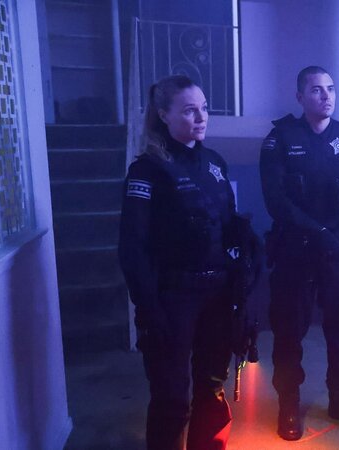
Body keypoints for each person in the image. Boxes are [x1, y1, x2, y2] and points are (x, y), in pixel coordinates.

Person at [119, 75, 237, 449]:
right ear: (163, 115)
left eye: (204, 108)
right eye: (189, 111)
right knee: (171, 396)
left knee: (212, 387)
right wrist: (148, 308)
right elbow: (132, 248)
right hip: (173, 298)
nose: (201, 118)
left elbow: (229, 228)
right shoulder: (148, 170)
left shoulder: (215, 163)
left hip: (217, 295)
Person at [259, 66, 339, 441]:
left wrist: (337, 237)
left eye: (330, 89)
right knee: (288, 330)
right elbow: (277, 201)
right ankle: (289, 403)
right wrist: (320, 233)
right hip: (296, 251)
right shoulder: (280, 139)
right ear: (300, 97)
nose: (326, 96)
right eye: (316, 90)